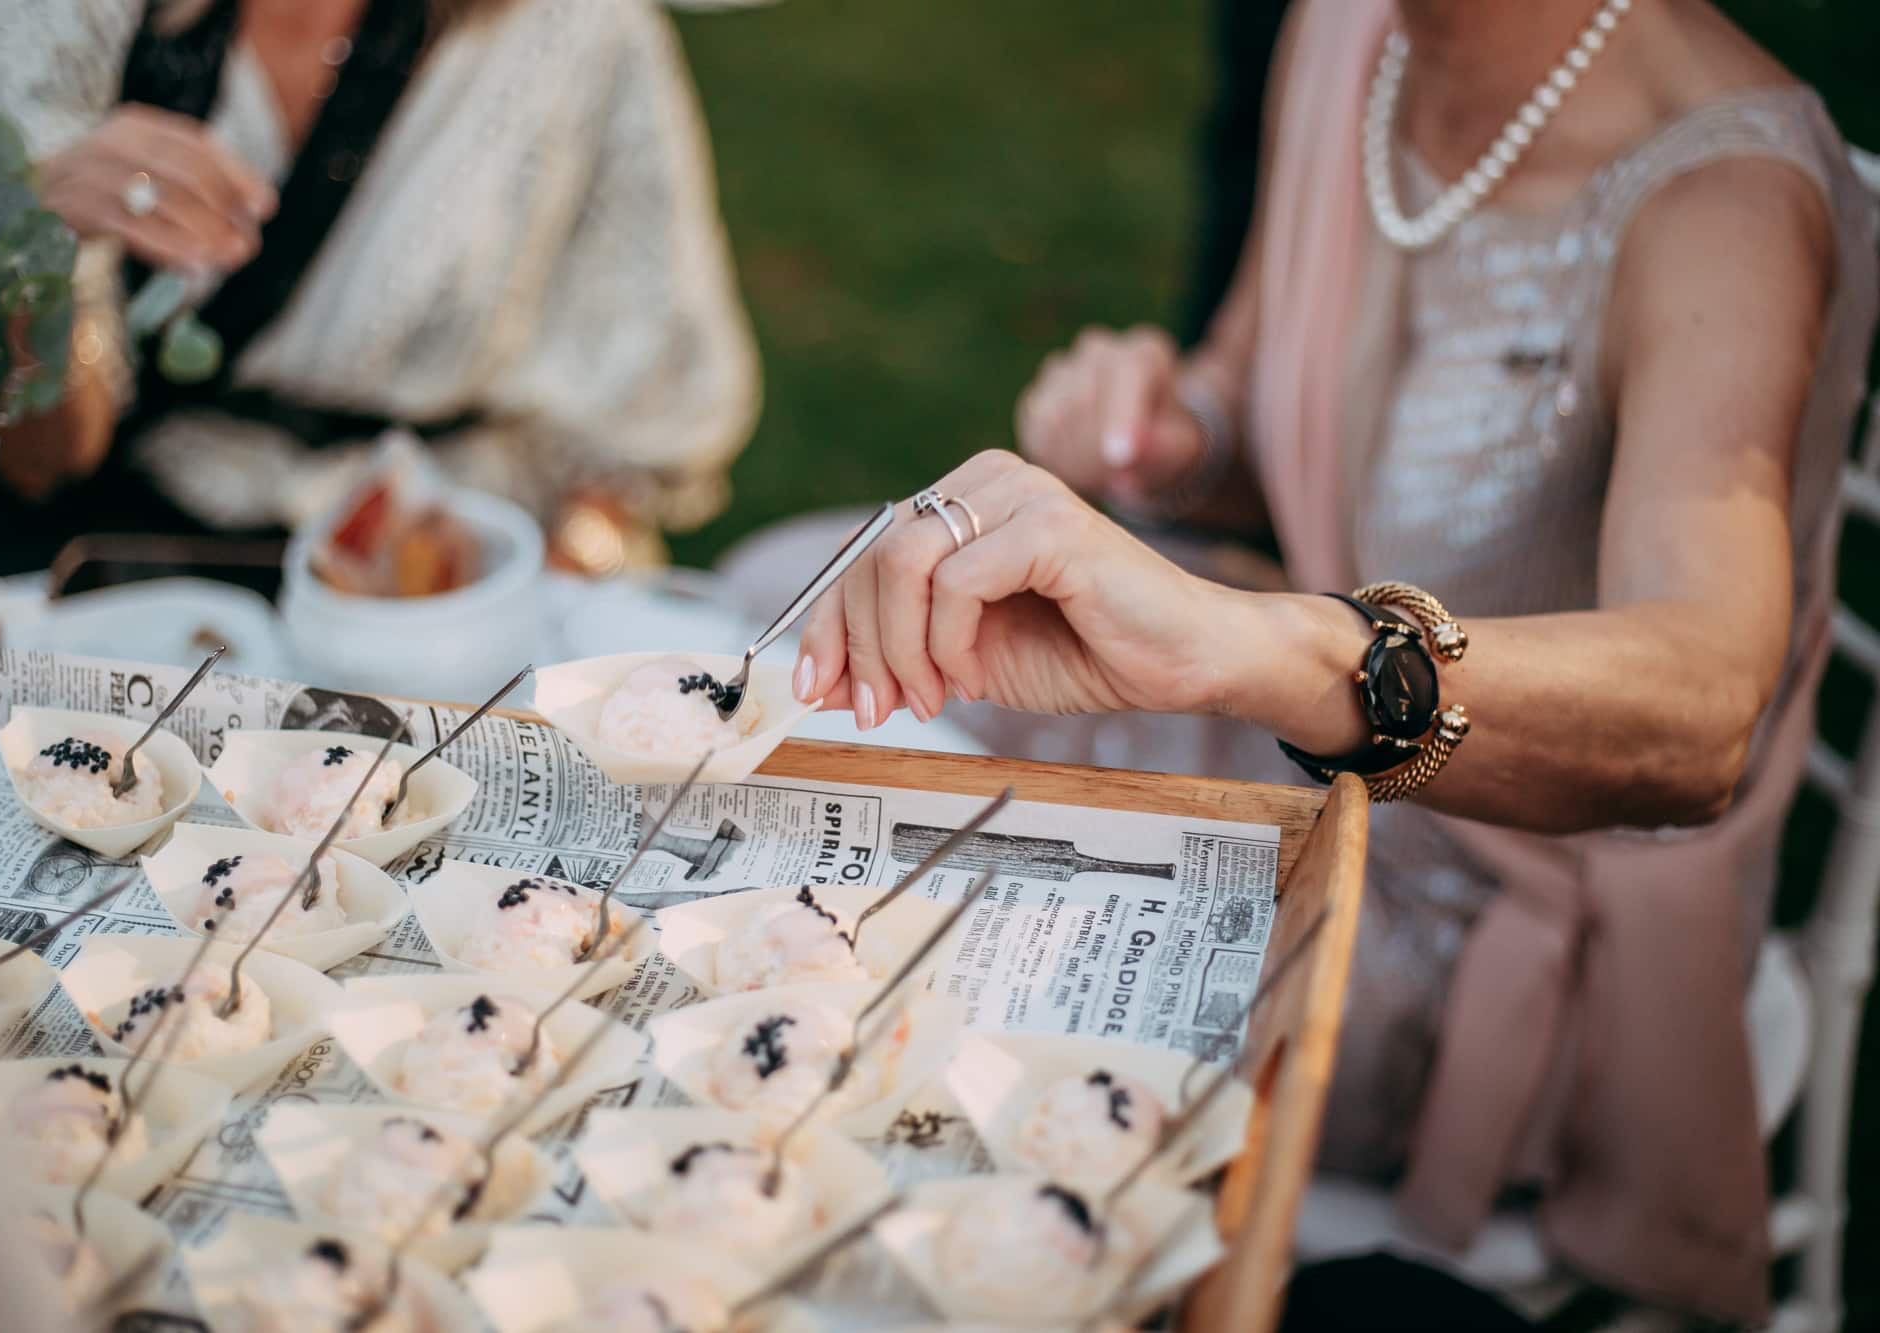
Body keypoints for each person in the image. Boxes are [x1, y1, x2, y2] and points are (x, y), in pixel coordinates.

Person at [775, 0, 1878, 1320]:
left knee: (901, 955)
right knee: (808, 626)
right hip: (1283, 732)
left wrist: (1252, 642)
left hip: (1486, 907)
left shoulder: (1724, 198)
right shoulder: (1354, 30)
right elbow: (1253, 394)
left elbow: (1704, 714)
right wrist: (1174, 431)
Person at [0, 0, 759, 575]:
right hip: (142, 544)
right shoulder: (67, 19)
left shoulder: (578, 33)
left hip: (452, 547)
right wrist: (40, 250)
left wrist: (556, 569)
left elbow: (642, 420)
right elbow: (40, 463)